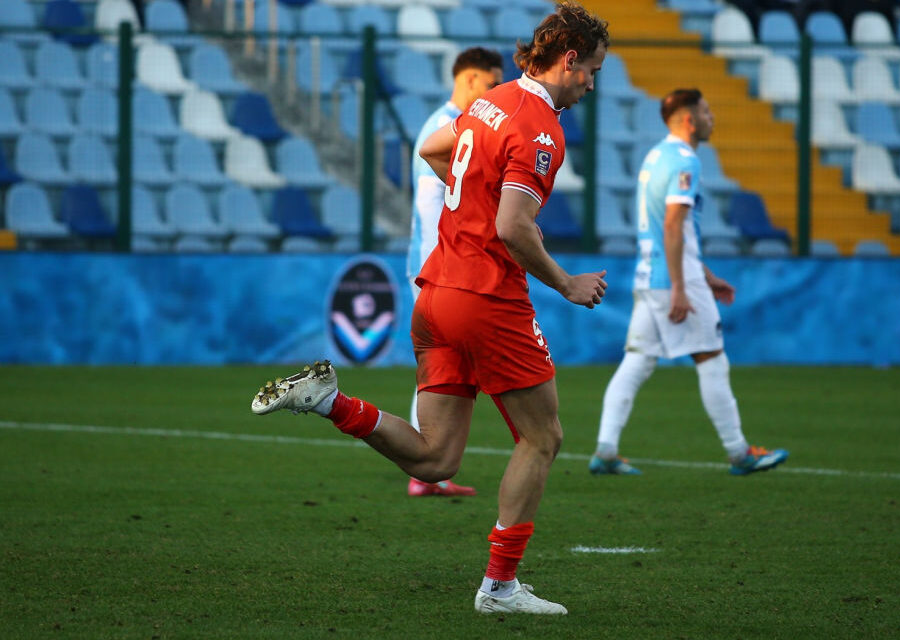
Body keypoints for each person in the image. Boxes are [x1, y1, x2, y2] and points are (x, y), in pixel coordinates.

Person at [251, 1, 610, 615]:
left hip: (436, 292)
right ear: (568, 59)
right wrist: (565, 283)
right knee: (542, 436)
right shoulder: (541, 128)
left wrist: (468, 197)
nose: (592, 85)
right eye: (591, 71)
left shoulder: (488, 100)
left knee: (437, 456)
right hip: (486, 299)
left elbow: (434, 149)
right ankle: (499, 588)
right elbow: (516, 227)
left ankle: (331, 400)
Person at [589, 88, 789, 477]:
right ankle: (739, 453)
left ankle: (606, 450)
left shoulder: (655, 156)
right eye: (707, 110)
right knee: (712, 358)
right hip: (671, 279)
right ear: (689, 119)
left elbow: (679, 231)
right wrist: (682, 287)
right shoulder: (685, 161)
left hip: (651, 274)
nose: (712, 117)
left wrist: (707, 276)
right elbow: (673, 224)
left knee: (637, 361)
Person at [404, 47, 504, 498]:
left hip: (442, 268)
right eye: (490, 83)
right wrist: (436, 270)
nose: (495, 92)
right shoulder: (443, 128)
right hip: (438, 267)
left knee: (443, 368)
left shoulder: (460, 125)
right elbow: (430, 205)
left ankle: (426, 469)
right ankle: (425, 467)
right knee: (443, 370)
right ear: (467, 80)